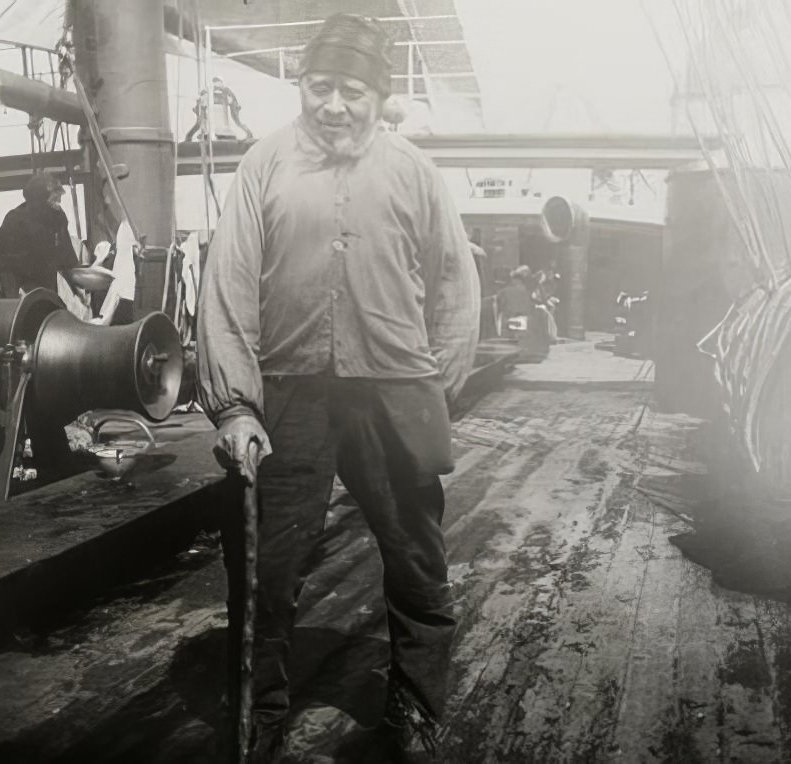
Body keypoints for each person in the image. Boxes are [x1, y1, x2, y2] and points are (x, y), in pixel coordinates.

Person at [196, 13, 480, 763]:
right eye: (320, 88)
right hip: (289, 395)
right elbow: (225, 286)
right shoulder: (264, 165)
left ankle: (416, 710)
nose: (333, 106)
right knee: (266, 571)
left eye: (351, 91)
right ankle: (259, 717)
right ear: (302, 88)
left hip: (394, 394)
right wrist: (234, 406)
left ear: (378, 98)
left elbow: (456, 285)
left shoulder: (415, 173)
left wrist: (434, 391)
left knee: (417, 564)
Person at [0, 172, 82, 296]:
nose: (59, 201)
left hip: (47, 282)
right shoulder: (14, 219)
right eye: (55, 197)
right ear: (40, 198)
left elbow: (66, 254)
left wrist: (78, 288)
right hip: (20, 284)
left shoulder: (58, 217)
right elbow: (5, 265)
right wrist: (12, 297)